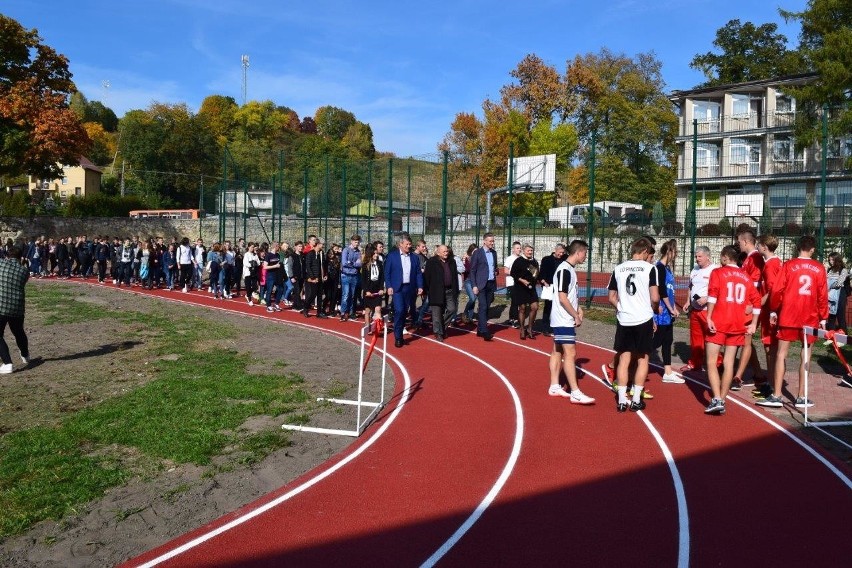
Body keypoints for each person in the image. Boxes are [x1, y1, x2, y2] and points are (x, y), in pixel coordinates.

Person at [757, 235, 828, 409]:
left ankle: (777, 395)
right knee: (806, 355)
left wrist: (774, 309)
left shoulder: (788, 265)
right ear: (812, 249)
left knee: (781, 354)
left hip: (789, 315)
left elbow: (777, 290)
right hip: (809, 317)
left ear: (798, 247)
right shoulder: (819, 268)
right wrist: (824, 317)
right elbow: (822, 295)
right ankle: (801, 396)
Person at [703, 245, 762, 414]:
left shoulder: (718, 273)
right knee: (729, 363)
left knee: (711, 362)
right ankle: (721, 399)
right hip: (738, 324)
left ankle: (716, 398)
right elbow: (756, 301)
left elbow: (713, 295)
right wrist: (753, 323)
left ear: (724, 257)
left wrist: (709, 316)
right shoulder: (745, 276)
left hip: (719, 322)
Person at [608, 237, 660, 412]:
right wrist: (654, 310)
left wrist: (621, 307)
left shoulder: (619, 268)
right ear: (645, 251)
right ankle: (637, 399)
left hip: (624, 318)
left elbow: (611, 297)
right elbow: (655, 297)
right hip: (643, 318)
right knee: (643, 358)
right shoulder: (650, 269)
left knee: (624, 358)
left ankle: (622, 399)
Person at [548, 240, 595, 404]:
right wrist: (575, 315)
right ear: (578, 252)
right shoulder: (564, 270)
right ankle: (575, 392)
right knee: (571, 353)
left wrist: (579, 308)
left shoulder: (569, 270)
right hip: (563, 318)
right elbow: (562, 297)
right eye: (585, 253)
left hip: (563, 317)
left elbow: (569, 294)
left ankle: (554, 385)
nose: (586, 256)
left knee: (557, 351)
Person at [731, 229, 765, 391]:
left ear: (745, 241)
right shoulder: (748, 259)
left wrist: (752, 304)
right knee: (747, 341)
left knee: (744, 340)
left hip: (749, 306)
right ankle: (758, 373)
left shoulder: (755, 258)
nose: (738, 245)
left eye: (739, 242)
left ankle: (738, 376)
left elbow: (755, 284)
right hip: (746, 304)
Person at [682, 246, 719, 372]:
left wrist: (707, 298)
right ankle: (695, 363)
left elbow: (719, 290)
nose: (697, 259)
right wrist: (688, 301)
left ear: (707, 256)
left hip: (708, 311)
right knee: (695, 338)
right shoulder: (695, 269)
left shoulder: (715, 270)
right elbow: (690, 286)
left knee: (711, 338)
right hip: (695, 310)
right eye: (696, 256)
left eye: (700, 256)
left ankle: (717, 363)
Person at [384, 234, 423, 348]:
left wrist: (420, 286)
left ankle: (400, 330)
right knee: (399, 310)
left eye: (410, 244)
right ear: (400, 244)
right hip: (397, 288)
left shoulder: (414, 257)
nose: (409, 246)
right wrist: (389, 286)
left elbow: (418, 273)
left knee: (405, 311)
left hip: (410, 288)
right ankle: (398, 337)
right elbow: (387, 272)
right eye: (407, 244)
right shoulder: (392, 256)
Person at [653, 239, 683, 384]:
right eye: (675, 252)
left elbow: (669, 291)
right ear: (669, 251)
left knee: (667, 340)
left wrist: (672, 307)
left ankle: (668, 372)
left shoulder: (667, 268)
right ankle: (632, 360)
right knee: (656, 341)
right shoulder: (659, 268)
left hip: (668, 311)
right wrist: (670, 308)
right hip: (662, 312)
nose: (676, 255)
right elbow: (662, 290)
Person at [0, 246, 30, 374]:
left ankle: (7, 363)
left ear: (7, 256)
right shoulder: (25, 271)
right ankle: (25, 355)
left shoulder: (1, 264)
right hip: (17, 307)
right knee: (18, 332)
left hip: (1, 306)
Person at [423, 244, 458, 342]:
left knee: (452, 309)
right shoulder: (431, 262)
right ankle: (438, 332)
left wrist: (456, 290)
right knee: (437, 313)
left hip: (450, 290)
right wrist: (426, 290)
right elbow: (427, 277)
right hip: (436, 291)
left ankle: (441, 328)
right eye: (444, 252)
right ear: (438, 253)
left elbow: (454, 277)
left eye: (447, 251)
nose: (446, 253)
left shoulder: (452, 261)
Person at [469, 233, 498, 341]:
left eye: (493, 241)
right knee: (483, 306)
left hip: (491, 283)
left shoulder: (494, 253)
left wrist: (496, 272)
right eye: (490, 241)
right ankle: (485, 331)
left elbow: (494, 267)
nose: (492, 243)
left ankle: (480, 330)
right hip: (481, 284)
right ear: (484, 241)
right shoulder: (478, 253)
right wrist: (474, 285)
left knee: (486, 307)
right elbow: (472, 270)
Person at [510, 244, 540, 340]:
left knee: (534, 307)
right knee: (522, 308)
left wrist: (537, 278)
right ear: (523, 251)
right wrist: (522, 281)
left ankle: (530, 328)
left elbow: (536, 273)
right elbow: (513, 273)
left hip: (531, 288)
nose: (530, 252)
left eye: (531, 250)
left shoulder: (534, 261)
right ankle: (522, 329)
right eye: (528, 250)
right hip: (520, 288)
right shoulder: (519, 261)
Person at [539, 243, 567, 337]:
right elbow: (542, 272)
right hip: (549, 286)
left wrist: (566, 246)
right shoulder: (546, 259)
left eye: (563, 252)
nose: (561, 254)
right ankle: (545, 327)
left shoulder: (564, 259)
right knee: (548, 307)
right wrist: (543, 281)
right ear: (555, 250)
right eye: (560, 252)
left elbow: (572, 252)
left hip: (560, 286)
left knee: (560, 307)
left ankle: (558, 326)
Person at [339, 235, 363, 321]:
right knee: (345, 294)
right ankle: (343, 312)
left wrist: (352, 263)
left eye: (358, 242)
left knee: (352, 295)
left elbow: (360, 263)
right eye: (355, 242)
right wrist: (354, 264)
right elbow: (344, 263)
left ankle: (350, 312)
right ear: (351, 241)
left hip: (354, 276)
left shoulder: (358, 252)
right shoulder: (346, 250)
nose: (357, 244)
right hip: (346, 275)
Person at [361, 243, 385, 325]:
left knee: (378, 309)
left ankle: (377, 328)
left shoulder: (380, 264)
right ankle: (367, 327)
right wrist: (366, 291)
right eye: (374, 253)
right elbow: (363, 280)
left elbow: (382, 278)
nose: (376, 255)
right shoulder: (365, 265)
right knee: (368, 310)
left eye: (376, 253)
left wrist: (381, 288)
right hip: (369, 289)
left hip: (377, 289)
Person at [303, 239, 327, 318]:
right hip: (313, 278)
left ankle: (319, 312)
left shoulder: (321, 253)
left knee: (320, 295)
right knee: (313, 294)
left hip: (320, 277)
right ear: (318, 244)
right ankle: (306, 308)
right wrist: (312, 277)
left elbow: (323, 265)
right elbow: (308, 266)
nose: (323, 246)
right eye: (322, 244)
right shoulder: (310, 254)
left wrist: (324, 274)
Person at [827, 251, 849, 335]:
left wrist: (829, 285)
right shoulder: (830, 269)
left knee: (840, 314)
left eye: (833, 260)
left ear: (837, 260)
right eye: (830, 260)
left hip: (840, 294)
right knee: (831, 315)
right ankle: (831, 334)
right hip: (831, 294)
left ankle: (843, 335)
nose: (831, 262)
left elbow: (839, 283)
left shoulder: (843, 270)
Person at [503, 241, 522, 328]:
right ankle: (515, 320)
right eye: (517, 248)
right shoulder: (510, 258)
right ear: (513, 249)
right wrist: (516, 274)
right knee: (515, 301)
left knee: (515, 301)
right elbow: (506, 271)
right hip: (511, 283)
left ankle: (511, 318)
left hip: (519, 283)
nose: (519, 250)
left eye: (520, 248)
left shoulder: (521, 258)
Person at [460, 244, 478, 325]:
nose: (476, 252)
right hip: (468, 280)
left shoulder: (477, 258)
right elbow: (466, 269)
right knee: (472, 298)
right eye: (474, 251)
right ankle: (465, 313)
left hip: (476, 280)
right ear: (471, 250)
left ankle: (470, 317)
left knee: (473, 299)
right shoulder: (466, 257)